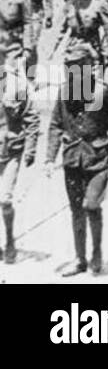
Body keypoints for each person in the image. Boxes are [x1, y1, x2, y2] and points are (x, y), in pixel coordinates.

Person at [45, 40, 108, 277]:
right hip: (72, 158)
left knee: (90, 205)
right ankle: (80, 259)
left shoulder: (102, 91)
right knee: (76, 211)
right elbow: (56, 125)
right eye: (69, 66)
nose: (73, 71)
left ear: (90, 66)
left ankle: (96, 253)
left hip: (98, 157)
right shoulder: (65, 91)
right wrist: (49, 158)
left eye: (79, 66)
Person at [0, 39, 38, 264]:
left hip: (10, 151)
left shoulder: (17, 85)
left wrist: (31, 149)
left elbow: (32, 118)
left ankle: (10, 240)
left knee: (4, 199)